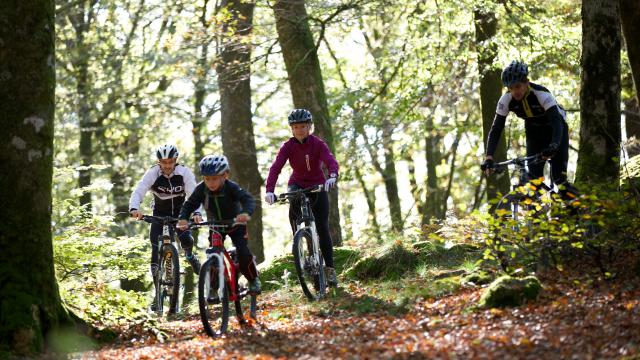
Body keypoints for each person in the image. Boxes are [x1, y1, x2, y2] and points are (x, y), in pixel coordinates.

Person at [264, 108, 340, 287]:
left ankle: (329, 269)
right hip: (297, 184)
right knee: (294, 214)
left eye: (304, 127)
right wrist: (269, 190)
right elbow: (276, 168)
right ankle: (299, 244)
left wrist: (332, 175)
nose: (300, 130)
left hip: (317, 185)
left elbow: (330, 160)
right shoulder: (288, 146)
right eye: (296, 127)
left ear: (309, 127)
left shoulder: (317, 144)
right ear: (291, 128)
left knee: (322, 227)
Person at [481, 60, 578, 200]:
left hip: (555, 131)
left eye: (518, 86)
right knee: (534, 181)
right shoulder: (505, 100)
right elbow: (496, 129)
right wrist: (489, 157)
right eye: (511, 88)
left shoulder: (542, 94)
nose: (515, 91)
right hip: (534, 133)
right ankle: (537, 218)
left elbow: (557, 123)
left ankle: (582, 207)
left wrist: (554, 145)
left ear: (526, 82)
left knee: (559, 180)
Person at [177, 155, 261, 294]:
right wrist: (183, 218)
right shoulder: (201, 189)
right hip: (215, 226)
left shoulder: (231, 187)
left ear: (225, 175)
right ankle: (213, 289)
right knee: (214, 255)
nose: (211, 182)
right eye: (207, 178)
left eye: (215, 178)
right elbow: (189, 204)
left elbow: (248, 200)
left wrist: (245, 213)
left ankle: (253, 280)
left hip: (235, 225)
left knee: (244, 253)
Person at [129, 144, 202, 299]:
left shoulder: (184, 173)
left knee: (187, 241)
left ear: (175, 160)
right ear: (159, 162)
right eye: (164, 162)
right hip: (159, 213)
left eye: (170, 162)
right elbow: (139, 190)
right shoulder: (153, 173)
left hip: (181, 212)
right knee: (155, 248)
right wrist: (134, 208)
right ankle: (157, 294)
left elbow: (194, 195)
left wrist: (196, 212)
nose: (167, 166)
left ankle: (189, 255)